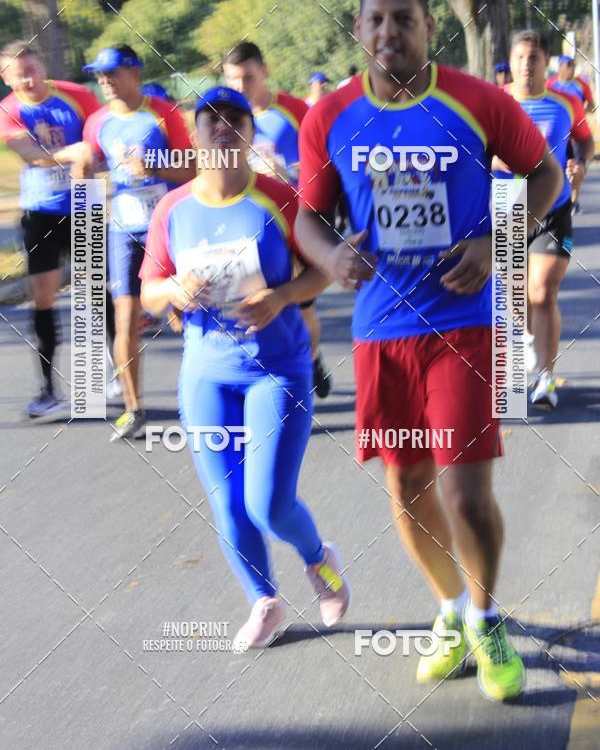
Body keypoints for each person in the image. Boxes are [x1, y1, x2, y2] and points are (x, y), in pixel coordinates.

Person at [295, 0, 562, 701]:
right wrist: (329, 255)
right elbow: (307, 217)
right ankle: (449, 611)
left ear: (427, 28)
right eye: (376, 20)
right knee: (409, 488)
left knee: (468, 495)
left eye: (404, 20)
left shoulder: (478, 101)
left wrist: (498, 241)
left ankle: (486, 616)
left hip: (461, 323)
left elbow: (545, 175)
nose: (390, 33)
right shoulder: (329, 118)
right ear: (359, 30)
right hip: (382, 331)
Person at [139, 86, 349, 649]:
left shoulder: (280, 198)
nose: (224, 127)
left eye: (236, 118)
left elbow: (322, 272)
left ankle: (319, 559)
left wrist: (281, 298)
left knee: (268, 503)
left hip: (277, 370)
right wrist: (175, 289)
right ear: (195, 133)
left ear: (251, 134)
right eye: (212, 119)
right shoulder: (173, 209)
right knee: (229, 506)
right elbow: (149, 294)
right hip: (206, 375)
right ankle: (264, 600)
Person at [82, 45, 192, 440]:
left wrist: (156, 168)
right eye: (98, 75)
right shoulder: (96, 122)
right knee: (125, 319)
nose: (104, 81)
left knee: (186, 313)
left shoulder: (163, 113)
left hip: (166, 228)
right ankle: (133, 408)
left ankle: (208, 393)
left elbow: (193, 167)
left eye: (112, 72)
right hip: (123, 231)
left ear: (135, 71)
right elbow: (91, 168)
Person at [222, 41, 331, 399]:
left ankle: (310, 360)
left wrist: (290, 171)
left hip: (294, 222)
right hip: (247, 228)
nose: (241, 87)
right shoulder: (223, 117)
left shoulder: (296, 111)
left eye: (248, 78)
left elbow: (327, 163)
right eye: (234, 80)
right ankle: (264, 381)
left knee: (302, 309)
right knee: (254, 306)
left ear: (265, 71)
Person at [492, 31, 594, 408]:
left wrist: (579, 163)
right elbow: (473, 150)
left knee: (542, 292)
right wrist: (492, 161)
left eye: (533, 58)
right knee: (517, 299)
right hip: (508, 203)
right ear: (511, 61)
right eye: (519, 57)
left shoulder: (565, 102)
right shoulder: (495, 103)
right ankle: (526, 365)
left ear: (546, 61)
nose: (525, 65)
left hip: (553, 206)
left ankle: (546, 379)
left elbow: (584, 140)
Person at [0, 40, 100, 417]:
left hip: (83, 204)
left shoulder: (76, 96)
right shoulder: (8, 111)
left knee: (95, 292)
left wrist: (91, 155)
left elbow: (100, 137)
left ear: (42, 65)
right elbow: (29, 154)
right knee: (42, 296)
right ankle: (48, 390)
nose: (28, 78)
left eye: (32, 68)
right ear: (6, 79)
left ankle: (114, 374)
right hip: (40, 211)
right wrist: (71, 153)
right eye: (18, 74)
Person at [546, 55, 595, 213]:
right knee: (559, 167)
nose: (571, 68)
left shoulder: (581, 85)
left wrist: (580, 111)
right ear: (560, 67)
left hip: (577, 132)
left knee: (576, 167)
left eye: (572, 65)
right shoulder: (550, 84)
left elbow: (592, 105)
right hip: (561, 134)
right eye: (567, 65)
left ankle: (574, 200)